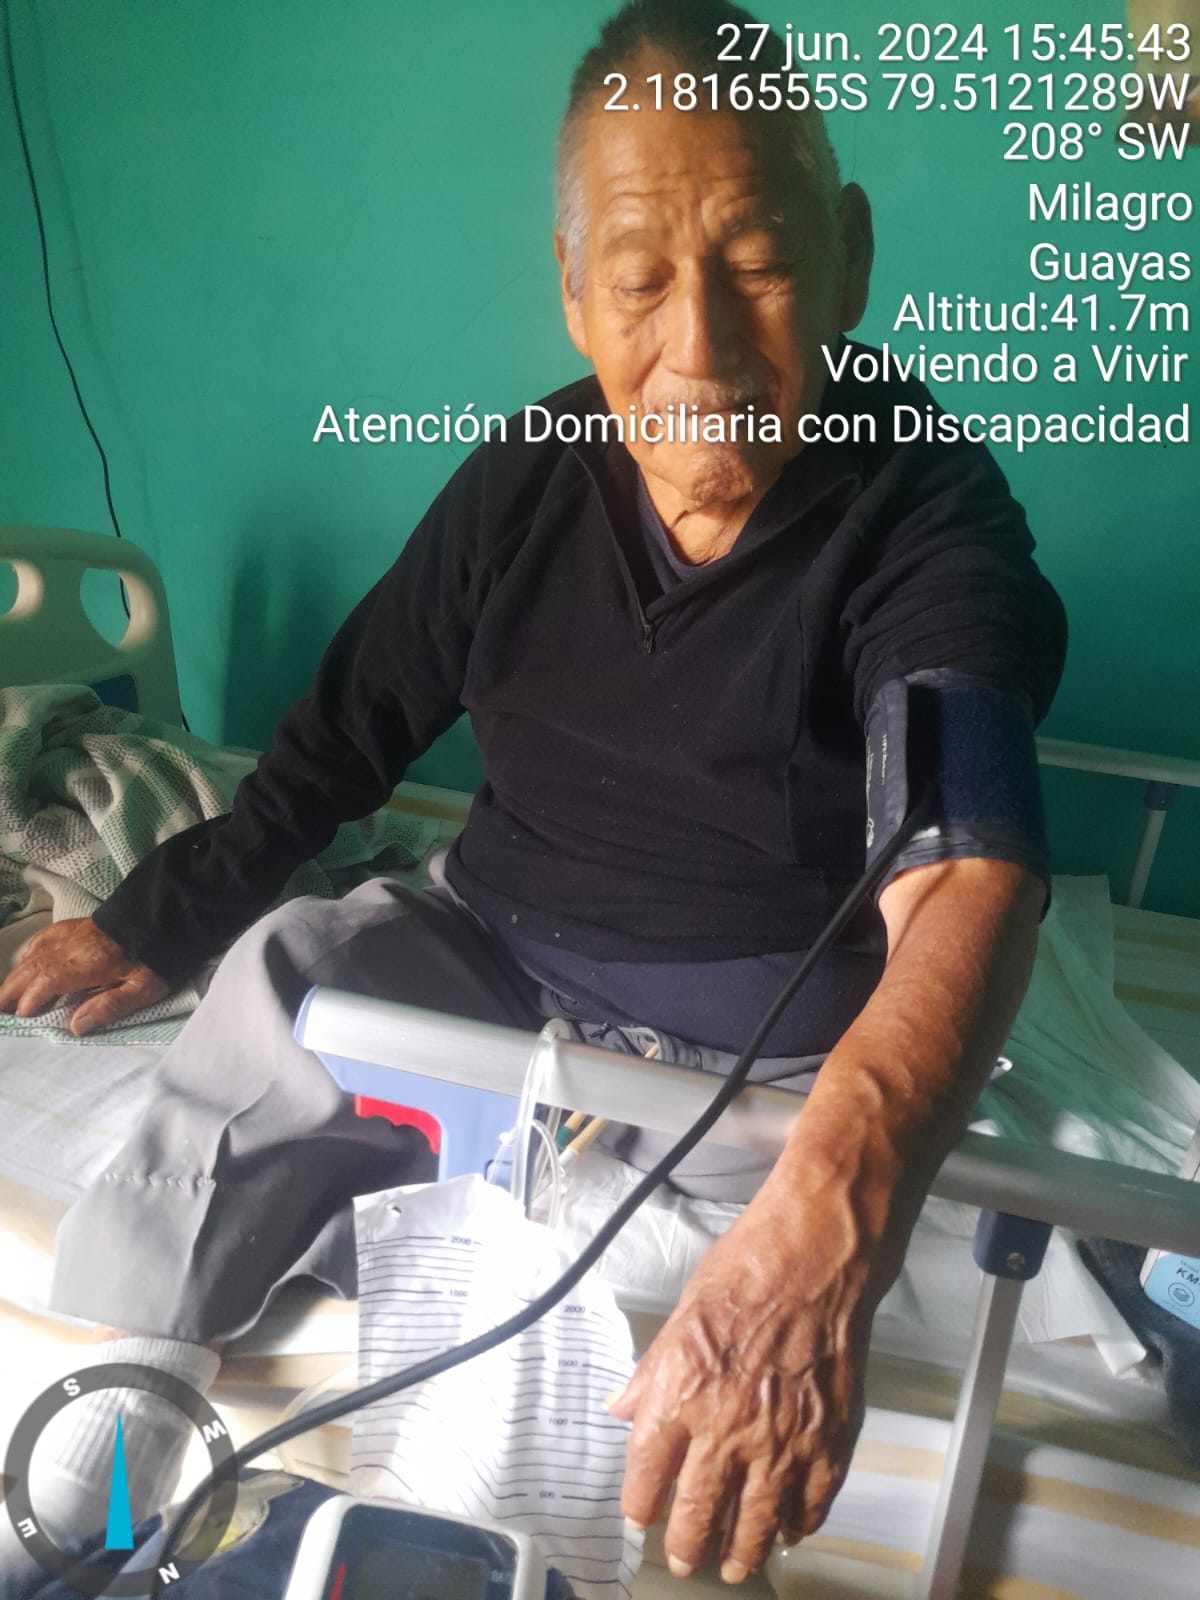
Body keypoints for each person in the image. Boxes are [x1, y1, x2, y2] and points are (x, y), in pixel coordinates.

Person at [0, 0, 1065, 1585]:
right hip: (490, 971)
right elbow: (344, 737)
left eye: (761, 265)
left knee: (703, 1265)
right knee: (291, 969)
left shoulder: (928, 509)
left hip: (766, 1051)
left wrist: (835, 1204)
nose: (700, 347)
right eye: (641, 280)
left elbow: (965, 859)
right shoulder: (517, 482)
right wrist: (160, 920)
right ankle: (121, 1407)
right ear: (575, 290)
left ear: (848, 257)